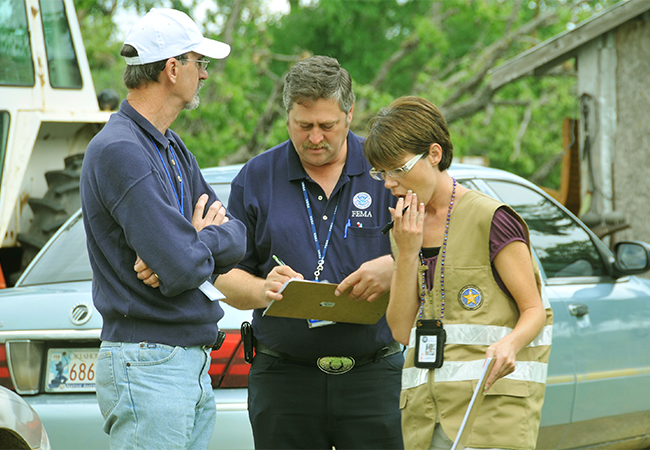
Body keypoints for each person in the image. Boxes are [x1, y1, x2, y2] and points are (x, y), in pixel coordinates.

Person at [214, 55, 404, 449]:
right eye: (304, 126)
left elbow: (437, 251)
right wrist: (262, 289)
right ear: (287, 117)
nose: (315, 138)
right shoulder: (256, 176)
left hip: (373, 377)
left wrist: (395, 266)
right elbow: (222, 275)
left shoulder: (387, 170)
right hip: (284, 380)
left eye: (326, 126)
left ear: (350, 114)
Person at [80, 8, 246, 449]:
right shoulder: (121, 150)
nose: (205, 75)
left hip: (177, 363)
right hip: (149, 362)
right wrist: (185, 250)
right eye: (200, 63)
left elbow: (238, 236)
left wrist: (192, 242)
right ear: (173, 69)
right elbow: (179, 266)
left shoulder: (170, 145)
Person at [363, 96, 553, 450]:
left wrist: (510, 343)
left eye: (397, 169)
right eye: (381, 172)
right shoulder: (403, 227)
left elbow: (535, 310)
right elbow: (403, 330)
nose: (389, 182)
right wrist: (406, 253)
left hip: (493, 413)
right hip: (426, 418)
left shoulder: (492, 218)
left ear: (434, 154)